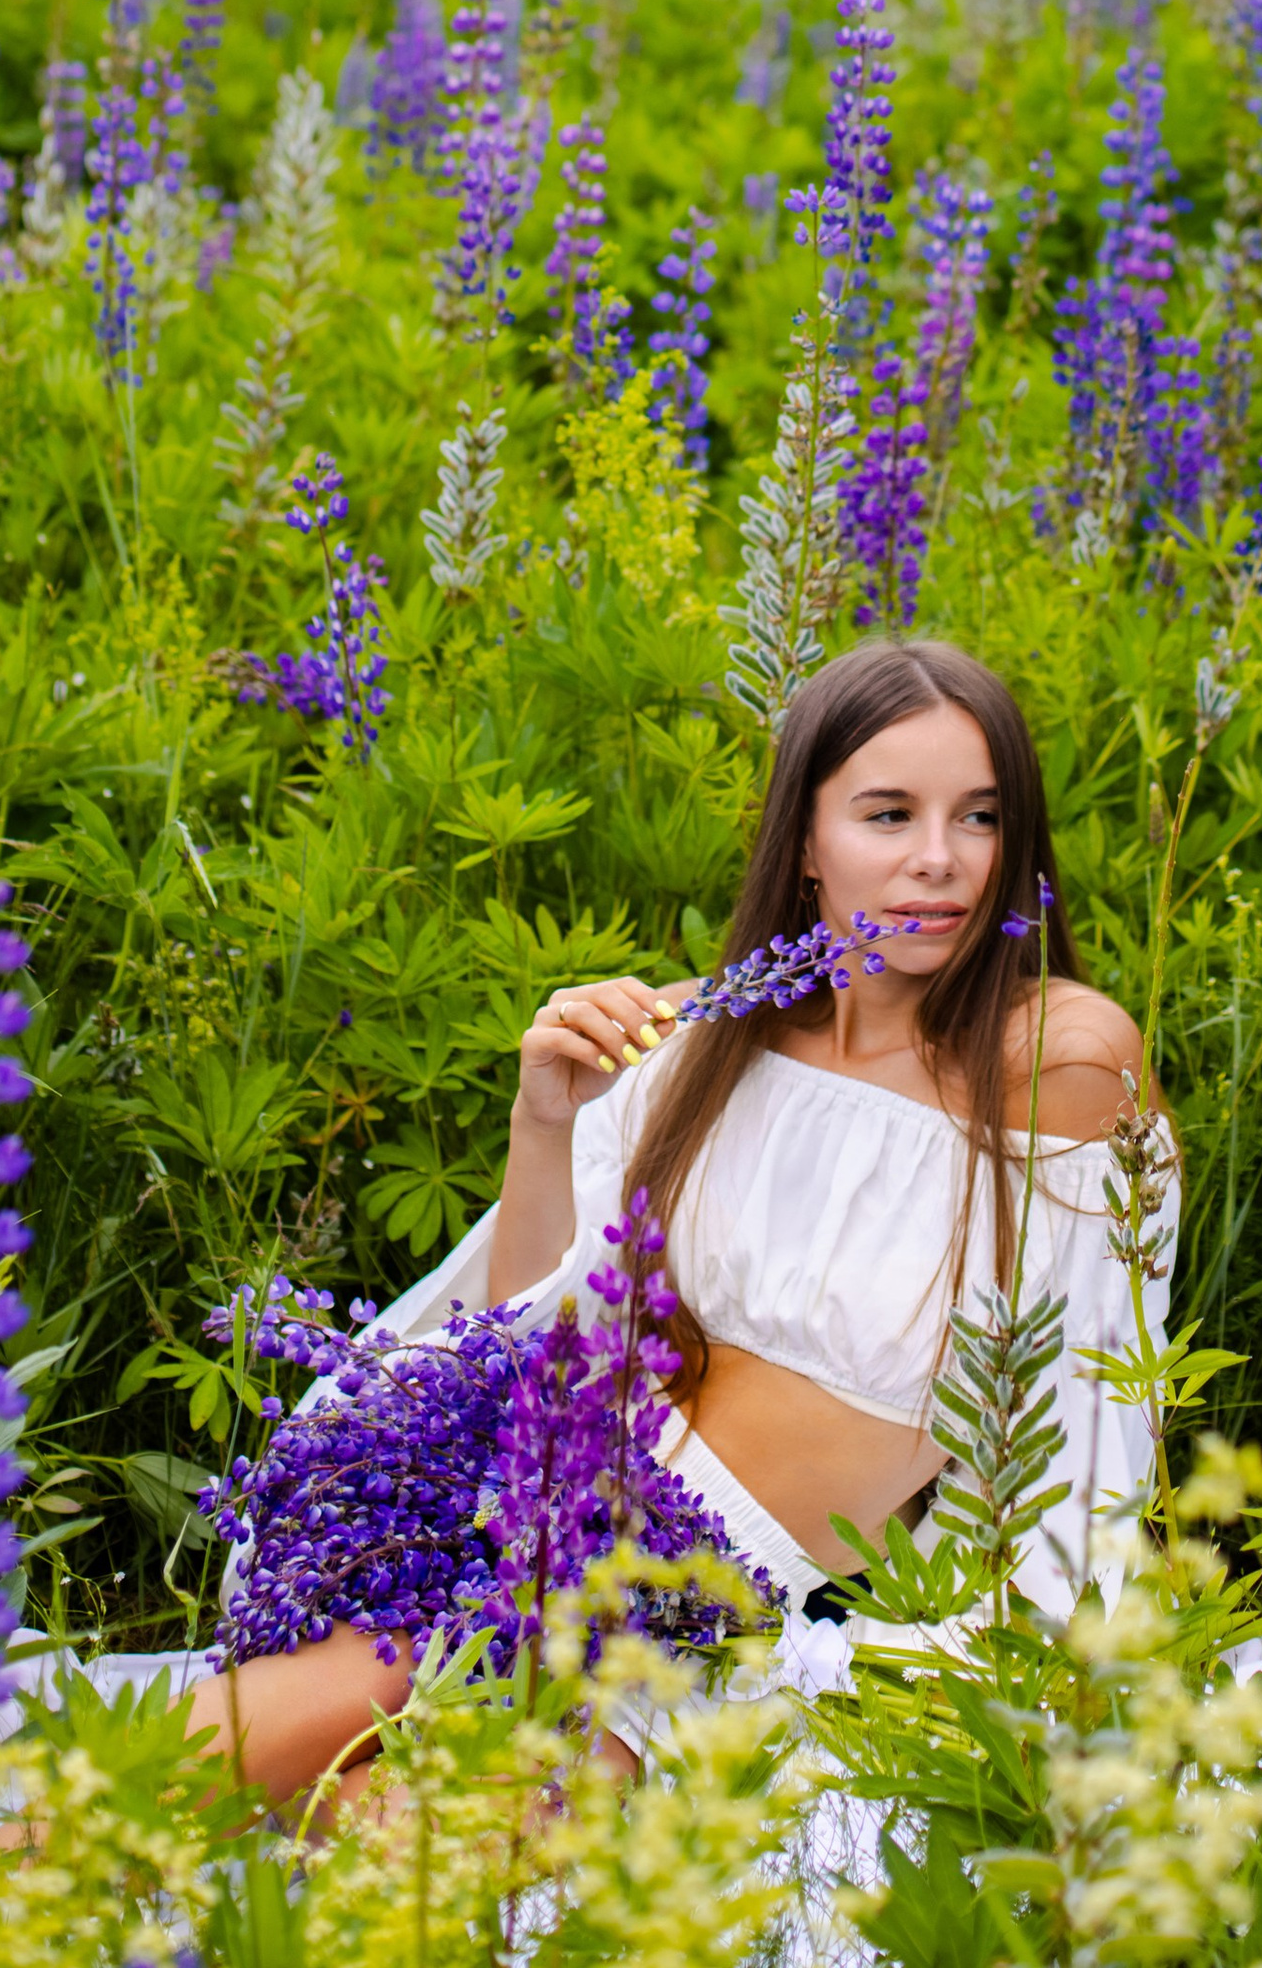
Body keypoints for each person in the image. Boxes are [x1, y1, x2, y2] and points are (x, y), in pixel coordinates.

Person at [186, 636, 1171, 1804]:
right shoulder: (701, 1037)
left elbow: (1090, 1405)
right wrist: (544, 1119)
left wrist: (1008, 1680)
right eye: (888, 813)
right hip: (492, 1495)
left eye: (979, 817)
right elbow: (517, 1323)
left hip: (684, 1615)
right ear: (804, 840)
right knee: (214, 1771)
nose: (937, 861)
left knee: (381, 1838)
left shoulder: (1052, 1055)